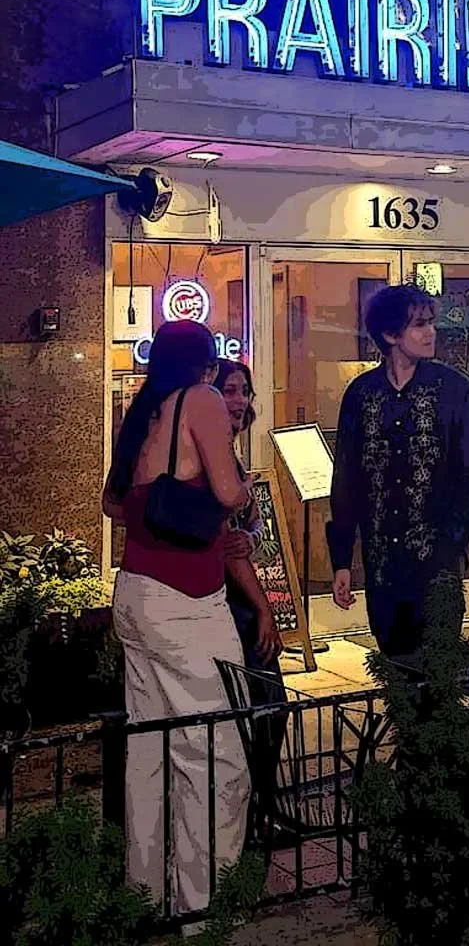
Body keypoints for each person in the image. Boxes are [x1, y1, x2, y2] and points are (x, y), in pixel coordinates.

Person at [102, 321, 256, 925]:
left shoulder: (143, 412)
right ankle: (204, 908)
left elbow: (112, 504)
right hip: (187, 599)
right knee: (215, 752)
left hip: (135, 592)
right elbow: (228, 491)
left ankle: (146, 896)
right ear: (207, 364)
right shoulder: (202, 400)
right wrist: (243, 486)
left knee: (150, 750)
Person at [326, 282, 469, 658]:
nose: (431, 332)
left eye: (431, 322)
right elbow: (347, 481)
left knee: (439, 666)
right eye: (419, 324)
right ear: (390, 334)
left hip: (438, 561)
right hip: (383, 564)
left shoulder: (452, 389)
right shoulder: (361, 395)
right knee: (395, 664)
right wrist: (341, 561)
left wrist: (455, 538)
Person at [214, 359, 284, 677]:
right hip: (225, 595)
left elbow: (254, 520)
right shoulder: (210, 460)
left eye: (245, 391)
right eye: (229, 391)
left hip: (241, 592)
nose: (240, 400)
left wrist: (252, 538)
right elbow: (229, 547)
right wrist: (264, 609)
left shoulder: (233, 454)